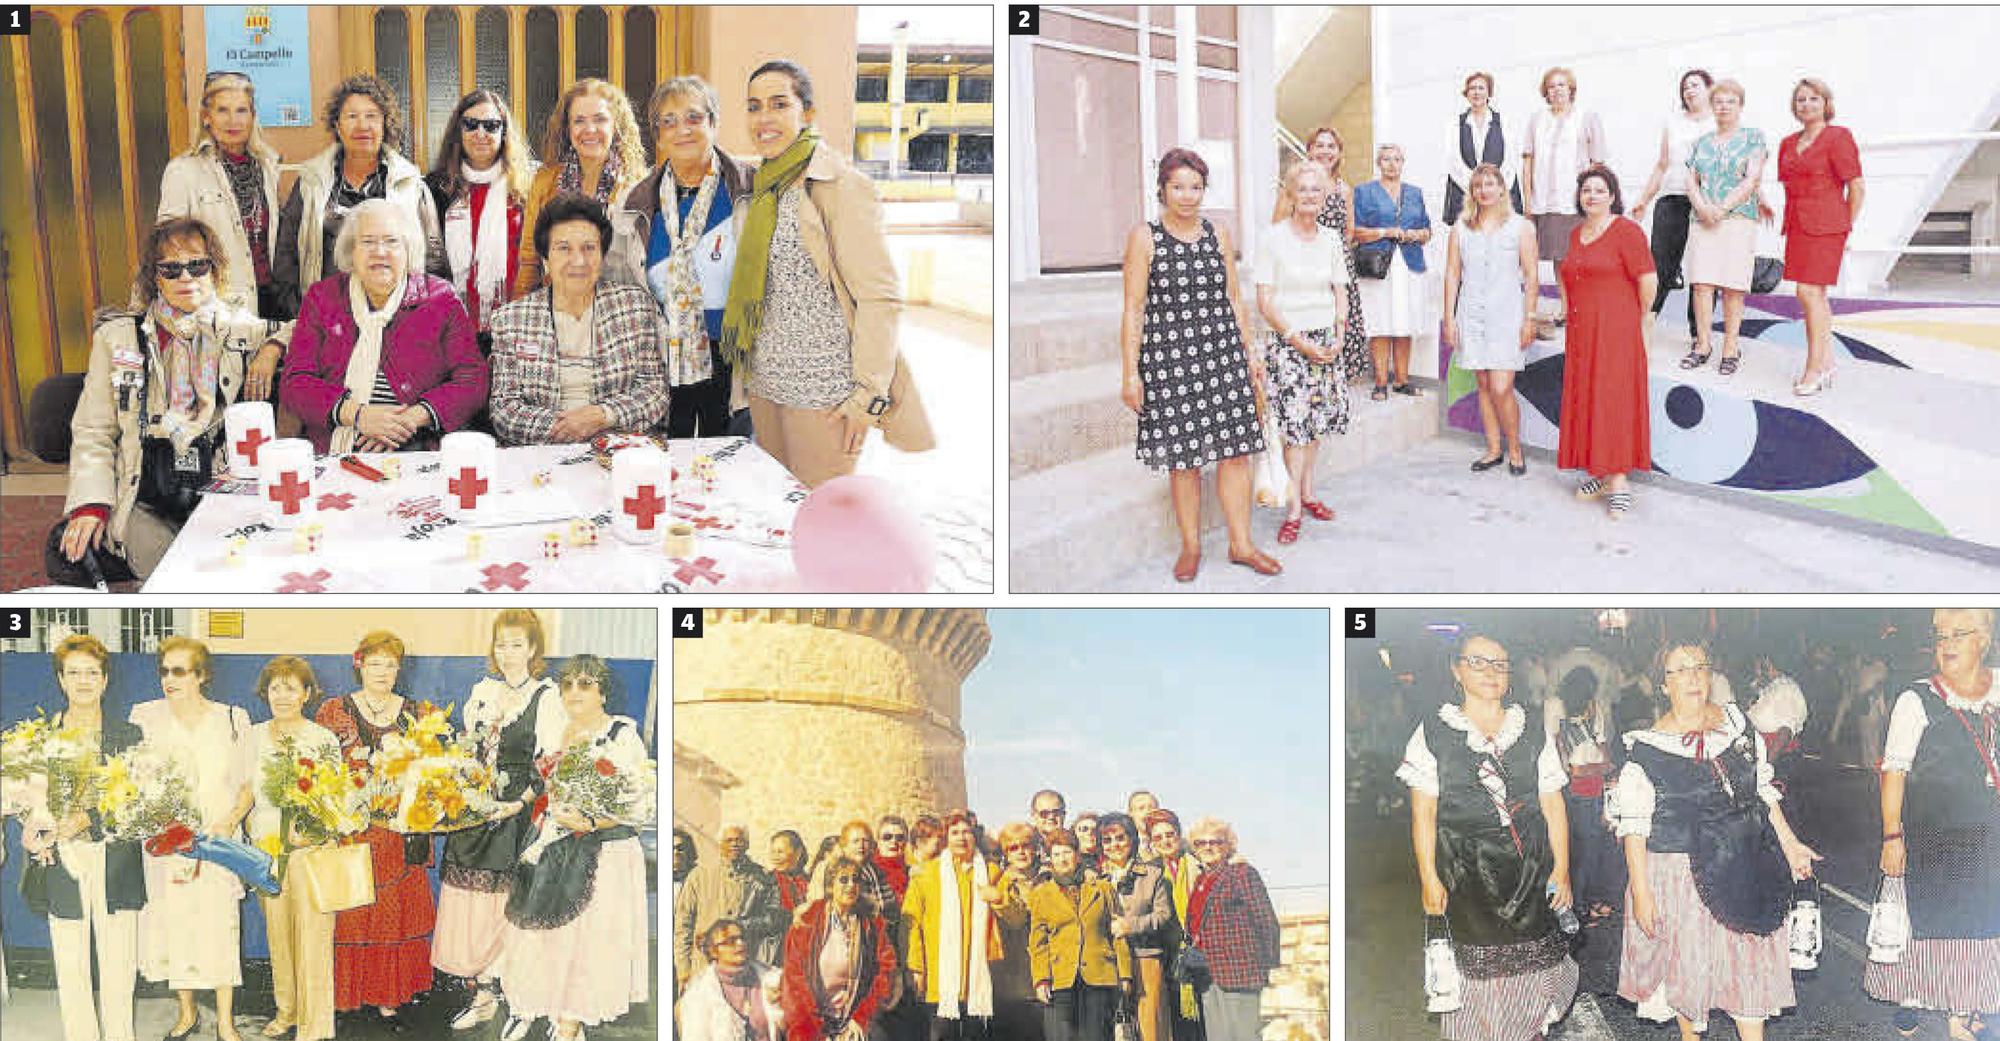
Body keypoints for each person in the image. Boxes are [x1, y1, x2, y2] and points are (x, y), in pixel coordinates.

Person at [723, 59, 933, 486]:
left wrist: (868, 397)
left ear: (808, 113)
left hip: (826, 390)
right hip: (766, 383)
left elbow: (881, 297)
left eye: (779, 104)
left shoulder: (840, 185)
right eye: (754, 106)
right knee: (777, 514)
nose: (764, 118)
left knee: (822, 515)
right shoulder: (761, 185)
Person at [50, 218, 288, 586]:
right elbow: (93, 431)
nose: (186, 277)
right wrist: (90, 503)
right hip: (143, 493)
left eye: (198, 265)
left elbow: (309, 326)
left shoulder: (242, 329)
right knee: (173, 580)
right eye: (170, 269)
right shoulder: (118, 340)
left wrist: (272, 348)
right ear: (154, 277)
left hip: (217, 490)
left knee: (239, 576)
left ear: (215, 270)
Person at [1613, 640, 1821, 1041]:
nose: (1693, 677)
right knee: (1692, 970)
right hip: (1682, 873)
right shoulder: (1648, 751)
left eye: (1700, 667)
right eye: (1681, 669)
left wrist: (1791, 844)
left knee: (1749, 964)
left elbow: (1761, 789)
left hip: (1746, 860)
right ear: (1663, 685)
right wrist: (1641, 891)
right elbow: (1634, 826)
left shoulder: (1737, 724)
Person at [1396, 635, 1578, 1041]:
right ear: (1456, 670)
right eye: (1478, 662)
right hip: (1466, 870)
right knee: (1478, 975)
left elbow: (1552, 803)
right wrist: (1429, 877)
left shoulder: (1532, 728)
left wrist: (1562, 868)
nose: (1491, 672)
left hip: (1530, 867)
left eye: (1499, 664)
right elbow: (1423, 812)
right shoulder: (1433, 732)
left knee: (1534, 968)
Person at [1119, 147, 1277, 582]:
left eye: (1195, 187)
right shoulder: (1144, 237)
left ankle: (1241, 544)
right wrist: (1131, 372)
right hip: (1170, 360)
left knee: (1236, 453)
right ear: (1163, 190)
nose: (1188, 196)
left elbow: (1233, 297)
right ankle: (1190, 546)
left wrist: (1250, 355)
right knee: (1183, 460)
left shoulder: (1218, 233)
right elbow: (1133, 309)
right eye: (1178, 187)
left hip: (1223, 351)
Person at [496, 655, 651, 1041]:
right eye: (567, 685)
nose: (574, 693)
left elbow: (639, 803)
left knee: (590, 940)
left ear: (602, 692)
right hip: (556, 845)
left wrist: (594, 822)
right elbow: (547, 788)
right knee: (544, 936)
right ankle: (535, 1005)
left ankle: (570, 1021)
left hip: (606, 852)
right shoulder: (557, 733)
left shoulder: (622, 735)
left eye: (585, 684)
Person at [1865, 608, 1999, 1041]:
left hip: (1990, 835)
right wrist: (1892, 834)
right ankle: (1953, 1016)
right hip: (1937, 839)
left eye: (1959, 634)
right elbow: (1895, 771)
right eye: (1941, 636)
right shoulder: (1917, 699)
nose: (1947, 644)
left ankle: (1970, 1005)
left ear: (1985, 639)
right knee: (1942, 927)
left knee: (1984, 926)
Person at [435, 609, 562, 1032]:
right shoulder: (482, 690)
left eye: (516, 645)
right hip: (475, 815)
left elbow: (549, 765)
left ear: (533, 649)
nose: (507, 654)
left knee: (510, 912)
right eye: (501, 644)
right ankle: (484, 996)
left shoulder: (547, 697)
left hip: (517, 818)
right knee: (472, 911)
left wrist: (518, 804)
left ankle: (520, 1004)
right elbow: (466, 753)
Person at [280, 197, 489, 454]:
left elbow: (473, 380)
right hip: (338, 446)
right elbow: (296, 381)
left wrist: (408, 421)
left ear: (408, 249)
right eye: (367, 242)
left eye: (391, 241)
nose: (380, 252)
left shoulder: (440, 299)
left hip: (418, 447)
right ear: (351, 251)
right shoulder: (322, 298)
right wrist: (359, 416)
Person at [606, 76, 753, 437]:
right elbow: (621, 279)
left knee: (729, 457)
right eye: (667, 122)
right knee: (671, 454)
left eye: (693, 118)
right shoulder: (636, 200)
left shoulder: (750, 188)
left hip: (735, 355)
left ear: (713, 124)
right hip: (664, 351)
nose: (681, 130)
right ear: (657, 136)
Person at [22, 635, 145, 1041]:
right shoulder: (40, 736)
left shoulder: (128, 735)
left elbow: (138, 799)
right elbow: (26, 797)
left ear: (106, 680)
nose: (83, 681)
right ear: (61, 680)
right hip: (59, 859)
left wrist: (88, 818)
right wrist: (34, 827)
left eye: (92, 673)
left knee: (118, 962)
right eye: (74, 673)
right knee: (70, 960)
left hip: (115, 859)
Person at [133, 636, 255, 1041]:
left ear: (201, 676)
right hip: (167, 846)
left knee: (222, 928)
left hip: (217, 844)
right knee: (174, 925)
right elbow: (135, 782)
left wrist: (228, 821)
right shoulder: (145, 717)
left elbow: (247, 788)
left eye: (180, 671)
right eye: (164, 671)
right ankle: (186, 1013)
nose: (169, 679)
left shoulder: (233, 719)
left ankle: (225, 1021)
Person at [313, 630, 435, 1024]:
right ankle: (348, 993)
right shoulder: (334, 710)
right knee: (352, 910)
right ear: (359, 664)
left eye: (391, 664)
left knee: (391, 914)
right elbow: (317, 771)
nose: (383, 672)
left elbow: (435, 772)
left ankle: (388, 993)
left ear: (400, 669)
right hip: (353, 831)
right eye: (375, 663)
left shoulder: (419, 714)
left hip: (401, 834)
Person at [488, 194, 671, 445]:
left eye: (589, 248)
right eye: (564, 248)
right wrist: (568, 427)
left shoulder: (635, 306)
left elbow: (654, 392)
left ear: (603, 254)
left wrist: (603, 416)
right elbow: (504, 410)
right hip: (541, 456)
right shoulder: (510, 320)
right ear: (546, 257)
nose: (578, 261)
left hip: (620, 452)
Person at [275, 74, 444, 318]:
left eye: (372, 116)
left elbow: (433, 260)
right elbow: (286, 257)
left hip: (395, 321)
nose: (362, 126)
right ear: (337, 125)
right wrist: (303, 315)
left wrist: (417, 318)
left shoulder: (410, 184)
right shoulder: (311, 182)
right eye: (352, 116)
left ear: (385, 124)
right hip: (326, 321)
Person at [1255, 160, 1352, 545]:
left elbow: (1340, 289)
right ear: (1291, 196)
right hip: (1289, 342)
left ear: (1324, 196)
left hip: (1327, 339)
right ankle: (1294, 507)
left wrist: (1340, 332)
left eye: (1317, 189)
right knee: (1295, 429)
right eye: (1303, 189)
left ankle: (1308, 492)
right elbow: (1264, 300)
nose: (1310, 196)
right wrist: (1299, 341)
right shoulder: (1272, 238)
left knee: (1316, 423)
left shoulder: (1330, 238)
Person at [245, 656, 339, 1041]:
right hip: (267, 852)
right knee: (277, 937)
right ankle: (286, 1012)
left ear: (307, 693)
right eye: (275, 687)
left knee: (314, 940)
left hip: (312, 852)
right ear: (264, 693)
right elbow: (244, 790)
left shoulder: (322, 739)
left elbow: (335, 799)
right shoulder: (251, 736)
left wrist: (312, 833)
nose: (282, 695)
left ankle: (314, 1026)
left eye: (291, 687)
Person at [1559, 165, 1657, 519]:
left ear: (1613, 196)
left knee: (1614, 398)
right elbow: (1569, 276)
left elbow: (1648, 282)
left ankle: (1618, 481)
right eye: (1586, 190)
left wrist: (1636, 319)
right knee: (1589, 398)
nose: (1592, 196)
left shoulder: (1627, 232)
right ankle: (1599, 472)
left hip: (1616, 331)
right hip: (1582, 331)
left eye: (1600, 190)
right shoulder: (1575, 234)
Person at [158, 71, 288, 326]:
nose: (233, 121)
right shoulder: (183, 171)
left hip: (270, 299)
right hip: (217, 305)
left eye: (241, 110)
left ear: (252, 117)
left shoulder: (268, 166)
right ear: (206, 118)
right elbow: (168, 248)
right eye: (222, 111)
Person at [1443, 163, 1538, 475]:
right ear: (1472, 192)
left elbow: (1532, 276)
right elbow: (1453, 274)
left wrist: (1530, 319)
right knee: (1483, 383)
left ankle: (1515, 449)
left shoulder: (1521, 226)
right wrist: (1448, 317)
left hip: (1507, 316)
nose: (1484, 190)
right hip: (1470, 313)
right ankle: (1494, 449)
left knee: (1501, 386)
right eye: (1478, 185)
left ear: (1502, 189)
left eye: (1490, 184)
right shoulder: (1461, 227)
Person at [517, 78, 647, 297]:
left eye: (600, 119)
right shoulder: (545, 182)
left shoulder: (638, 186)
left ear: (616, 126)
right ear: (567, 129)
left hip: (619, 312)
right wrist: (519, 320)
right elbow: (530, 262)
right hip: (559, 310)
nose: (589, 129)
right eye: (579, 121)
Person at [1776, 77, 1864, 396]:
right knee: (1815, 296)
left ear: (1826, 103)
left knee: (1808, 292)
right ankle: (1827, 362)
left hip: (1828, 226)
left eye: (1814, 98)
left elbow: (1856, 187)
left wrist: (1842, 225)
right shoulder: (1787, 143)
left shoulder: (1838, 137)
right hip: (1798, 226)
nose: (1807, 104)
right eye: (1801, 100)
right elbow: (1788, 186)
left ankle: (1814, 366)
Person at [426, 89, 534, 341]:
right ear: (458, 131)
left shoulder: (527, 186)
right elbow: (429, 261)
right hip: (452, 324)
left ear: (503, 132)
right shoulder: (436, 188)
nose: (481, 134)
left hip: (516, 321)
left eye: (491, 125)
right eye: (471, 125)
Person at [1680, 79, 1768, 377]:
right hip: (1702, 219)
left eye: (1730, 101)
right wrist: (1703, 208)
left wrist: (1721, 208)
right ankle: (1702, 345)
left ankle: (1731, 347)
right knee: (1702, 284)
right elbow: (1691, 180)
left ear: (1740, 105)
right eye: (1718, 102)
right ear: (1711, 106)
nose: (1724, 107)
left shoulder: (1753, 138)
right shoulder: (1701, 142)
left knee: (1732, 286)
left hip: (1737, 218)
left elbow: (1752, 179)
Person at [902, 810, 1005, 1040]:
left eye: (966, 832)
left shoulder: (991, 872)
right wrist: (916, 967)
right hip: (940, 978)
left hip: (978, 980)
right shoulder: (927, 874)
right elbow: (912, 923)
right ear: (946, 837)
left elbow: (1012, 916)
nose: (961, 837)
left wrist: (999, 899)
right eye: (955, 832)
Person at [1631, 70, 1717, 345]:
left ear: (1709, 89)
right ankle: (1646, 322)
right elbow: (1662, 164)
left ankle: (1698, 333)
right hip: (1672, 197)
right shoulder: (1673, 122)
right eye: (1685, 87)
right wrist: (1643, 199)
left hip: (1706, 202)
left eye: (1696, 85)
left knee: (1703, 269)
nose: (1690, 91)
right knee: (1659, 264)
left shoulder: (1719, 121)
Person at [1027, 829, 1133, 1041]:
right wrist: (1041, 980)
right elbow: (1038, 942)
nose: (1062, 859)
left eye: (1067, 852)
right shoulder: (1041, 894)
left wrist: (1125, 974)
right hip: (1061, 979)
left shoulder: (1101, 888)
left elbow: (1117, 933)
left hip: (1099, 976)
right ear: (1050, 859)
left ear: (1077, 854)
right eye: (1056, 854)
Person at [782, 855, 900, 1041]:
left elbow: (885, 971)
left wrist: (861, 1018)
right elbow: (794, 979)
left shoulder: (871, 924)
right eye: (843, 880)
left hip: (854, 1017)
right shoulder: (808, 922)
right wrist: (815, 1030)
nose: (851, 885)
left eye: (856, 879)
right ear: (830, 885)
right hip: (812, 1021)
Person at [1183, 817, 1280, 1041]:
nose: (1207, 847)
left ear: (1228, 846)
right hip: (1207, 975)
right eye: (1200, 843)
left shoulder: (1242, 873)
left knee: (1243, 1036)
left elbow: (1266, 920)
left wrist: (1266, 965)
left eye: (1215, 842)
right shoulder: (1201, 880)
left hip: (1240, 972)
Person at [1519, 68, 1606, 313]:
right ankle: (1567, 308)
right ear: (1545, 92)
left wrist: (1594, 200)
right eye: (1552, 86)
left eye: (1562, 85)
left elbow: (1598, 163)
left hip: (1576, 201)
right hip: (1546, 201)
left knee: (1581, 257)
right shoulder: (1537, 120)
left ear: (1571, 89)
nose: (1557, 90)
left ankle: (1586, 306)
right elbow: (1527, 162)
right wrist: (1528, 201)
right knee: (1559, 257)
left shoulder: (1586, 117)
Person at [1353, 144, 1433, 400]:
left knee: (1404, 321)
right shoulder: (1364, 192)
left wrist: (1417, 234)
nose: (1392, 164)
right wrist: (1386, 232)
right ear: (1379, 162)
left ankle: (1401, 380)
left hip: (1409, 264)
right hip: (1378, 265)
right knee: (1379, 321)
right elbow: (1355, 231)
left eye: (1397, 159)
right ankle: (1380, 382)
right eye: (1386, 159)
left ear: (1402, 163)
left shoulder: (1415, 193)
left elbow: (1427, 231)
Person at [676, 824, 788, 990]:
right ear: (720, 843)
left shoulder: (763, 878)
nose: (734, 844)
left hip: (743, 968)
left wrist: (743, 926)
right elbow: (683, 924)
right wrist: (683, 967)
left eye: (739, 840)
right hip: (703, 968)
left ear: (747, 844)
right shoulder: (700, 876)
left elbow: (771, 922)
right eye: (729, 840)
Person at [1301, 126, 1372, 384]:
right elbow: (1281, 225)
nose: (1325, 151)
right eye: (1319, 145)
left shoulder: (1344, 189)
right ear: (1309, 150)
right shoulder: (1299, 185)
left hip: (1339, 268)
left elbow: (1349, 230)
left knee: (1341, 321)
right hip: (1307, 266)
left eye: (1331, 146)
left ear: (1339, 153)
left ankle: (1337, 377)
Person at [1553, 667, 1623, 922]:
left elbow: (1603, 760)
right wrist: (1594, 768)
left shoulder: (1590, 718)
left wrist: (1593, 770)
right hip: (1577, 793)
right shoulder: (1561, 724)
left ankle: (1587, 901)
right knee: (1584, 852)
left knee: (1591, 851)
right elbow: (1571, 769)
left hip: (1591, 791)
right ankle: (1580, 905)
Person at [1096, 813, 1174, 1041]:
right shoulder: (1094, 878)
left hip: (1144, 958)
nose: (1114, 845)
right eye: (1107, 840)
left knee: (1150, 1028)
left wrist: (1130, 926)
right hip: (1108, 963)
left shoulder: (1153, 875)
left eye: (1120, 838)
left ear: (1132, 839)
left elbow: (1163, 915)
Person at [986, 821, 1046, 1041]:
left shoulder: (1049, 878)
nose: (1021, 852)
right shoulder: (998, 882)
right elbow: (1015, 920)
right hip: (1010, 982)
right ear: (1005, 852)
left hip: (1047, 979)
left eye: (1026, 845)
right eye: (1013, 847)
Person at [680, 918, 784, 1041]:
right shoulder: (698, 995)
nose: (740, 943)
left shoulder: (773, 979)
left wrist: (778, 1006)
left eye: (742, 938)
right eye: (730, 941)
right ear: (714, 951)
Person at [1444, 72, 1523, 224]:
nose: (1476, 92)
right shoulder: (1454, 124)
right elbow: (1453, 161)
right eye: (1472, 88)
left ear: (1489, 92)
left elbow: (1510, 160)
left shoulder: (1504, 121)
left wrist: (1494, 189)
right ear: (1466, 94)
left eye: (1481, 88)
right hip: (1465, 193)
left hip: (1500, 194)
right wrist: (1476, 188)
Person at [771, 830, 813, 913]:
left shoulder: (809, 881)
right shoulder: (767, 882)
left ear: (798, 853)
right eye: (773, 852)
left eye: (780, 852)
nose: (775, 857)